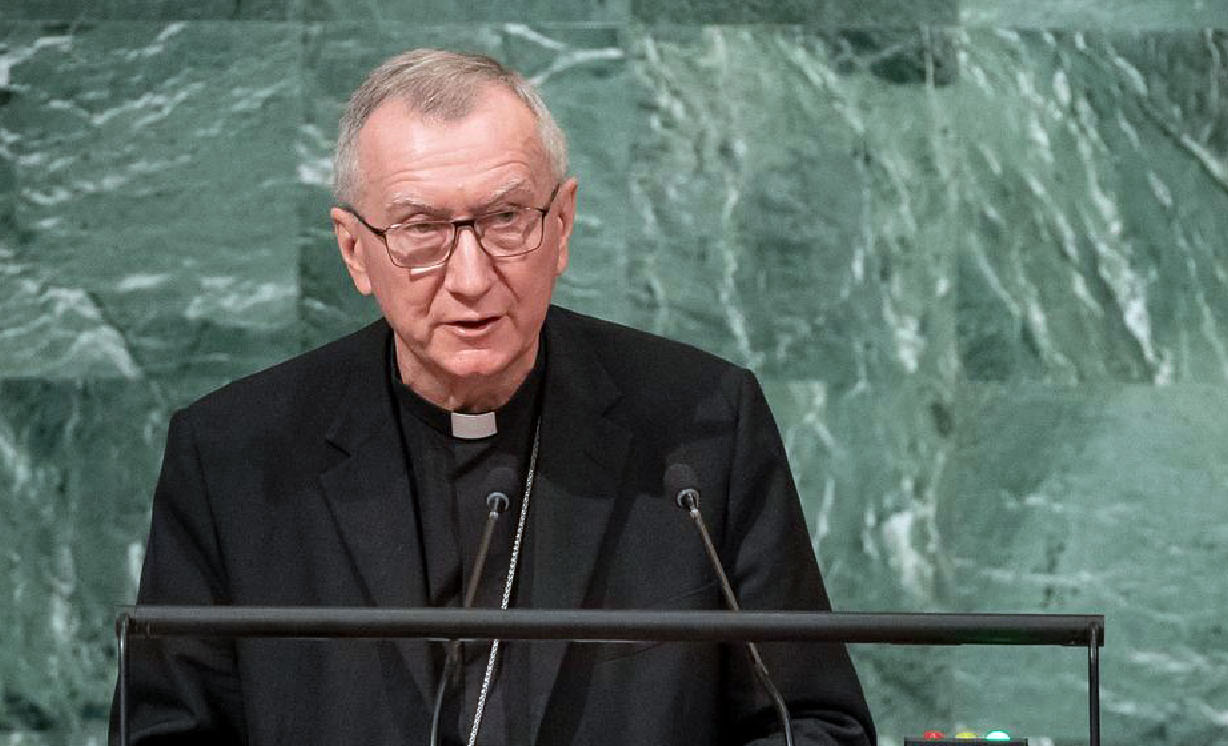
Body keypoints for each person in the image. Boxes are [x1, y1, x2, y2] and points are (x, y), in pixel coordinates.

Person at [113, 49, 875, 745]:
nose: (471, 278)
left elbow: (809, 723)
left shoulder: (701, 426)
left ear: (563, 225)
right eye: (420, 230)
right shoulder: (234, 456)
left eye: (507, 219)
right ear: (355, 250)